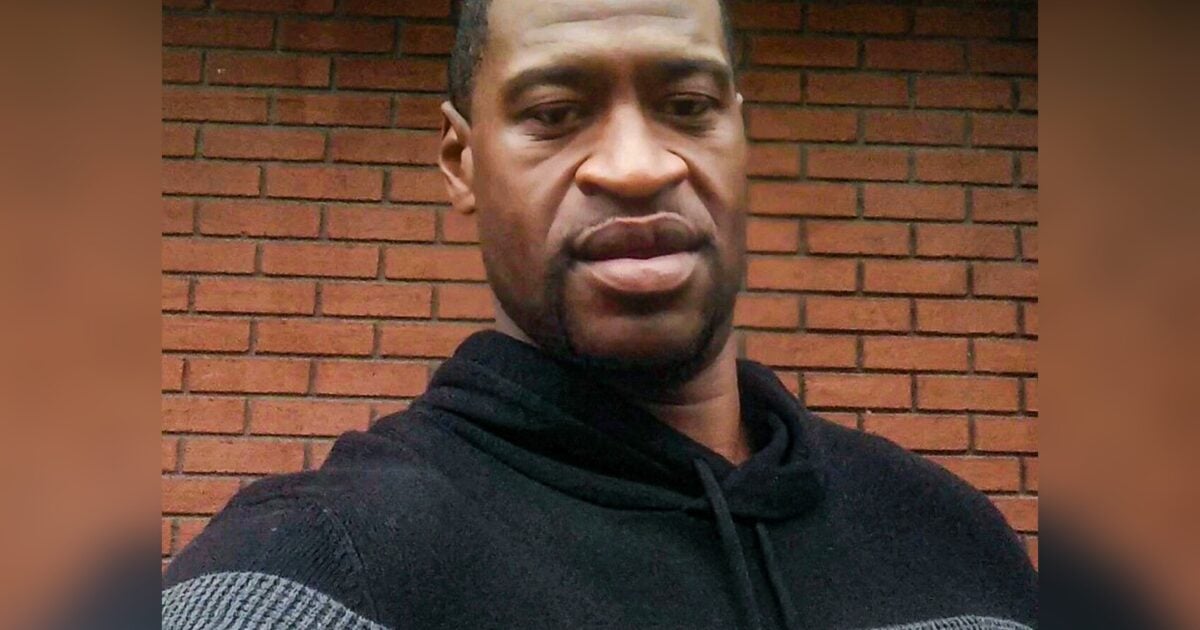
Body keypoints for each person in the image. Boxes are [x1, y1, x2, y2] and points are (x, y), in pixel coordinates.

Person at [161, 0, 1038, 628]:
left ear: (740, 135)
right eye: (555, 114)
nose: (636, 165)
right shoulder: (313, 578)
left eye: (688, 107)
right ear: (461, 161)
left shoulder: (958, 547)